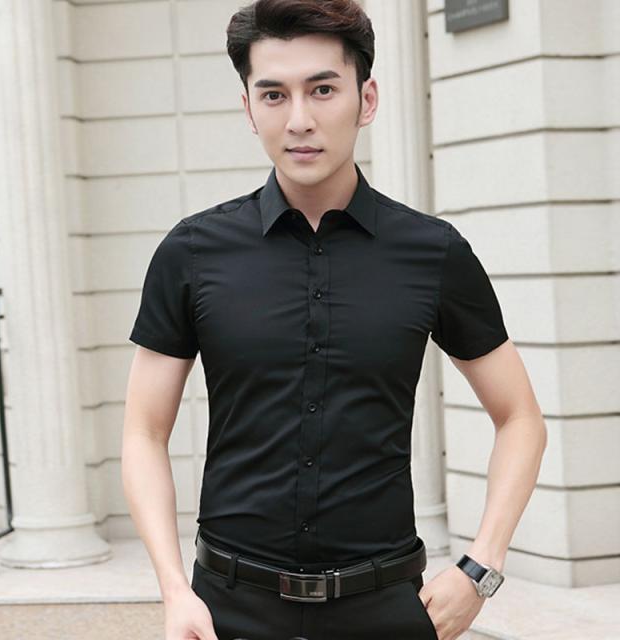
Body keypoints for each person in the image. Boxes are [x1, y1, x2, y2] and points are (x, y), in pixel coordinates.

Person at [122, 1, 547, 639]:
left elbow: (520, 419)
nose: (299, 119)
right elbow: (143, 432)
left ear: (365, 99)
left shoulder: (433, 253)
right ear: (249, 110)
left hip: (385, 610)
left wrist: (480, 567)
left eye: (322, 89)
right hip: (229, 612)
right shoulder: (192, 252)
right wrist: (172, 590)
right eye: (274, 94)